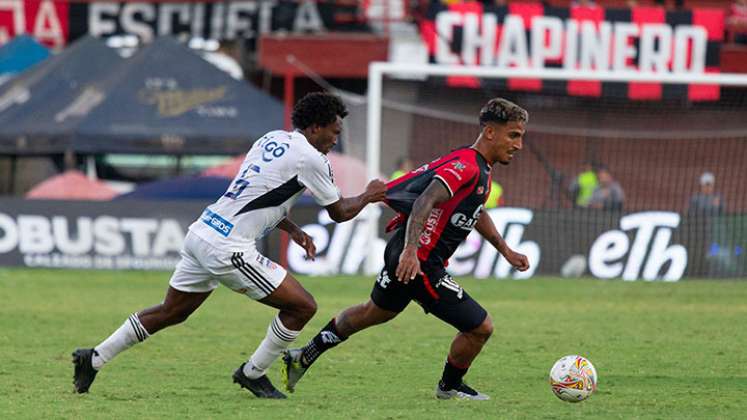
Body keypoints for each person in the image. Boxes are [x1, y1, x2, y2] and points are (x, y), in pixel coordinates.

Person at [71, 92, 387, 397]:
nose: (335, 140)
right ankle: (253, 373)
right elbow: (341, 212)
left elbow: (256, 192)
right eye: (334, 132)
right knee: (302, 307)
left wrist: (291, 228)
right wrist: (369, 195)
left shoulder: (271, 139)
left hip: (202, 231)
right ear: (315, 127)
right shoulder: (312, 159)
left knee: (172, 311)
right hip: (227, 248)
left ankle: (94, 357)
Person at [282, 98, 531, 400]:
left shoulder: (476, 166)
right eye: (513, 135)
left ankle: (302, 357)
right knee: (480, 328)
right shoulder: (467, 166)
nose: (518, 144)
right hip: (420, 261)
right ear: (490, 132)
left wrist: (505, 250)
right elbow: (425, 200)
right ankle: (449, 387)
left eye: (521, 136)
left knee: (373, 312)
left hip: (404, 250)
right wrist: (412, 252)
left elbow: (475, 210)